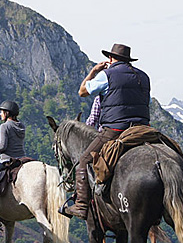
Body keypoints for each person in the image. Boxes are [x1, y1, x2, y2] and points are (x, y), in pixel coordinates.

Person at [61, 43, 151, 219]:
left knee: (83, 160)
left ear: (111, 58)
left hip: (116, 129)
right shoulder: (144, 76)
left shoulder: (107, 75)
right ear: (128, 60)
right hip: (143, 129)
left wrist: (93, 72)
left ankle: (80, 205)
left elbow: (82, 92)